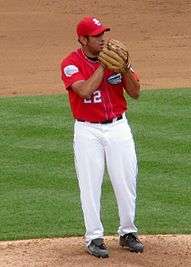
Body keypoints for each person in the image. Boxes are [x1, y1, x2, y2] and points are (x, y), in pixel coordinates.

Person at [60, 16, 144, 258]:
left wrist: (125, 67)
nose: (102, 39)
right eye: (96, 36)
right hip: (88, 131)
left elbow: (135, 92)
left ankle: (128, 232)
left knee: (125, 181)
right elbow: (84, 90)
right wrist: (104, 67)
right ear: (82, 39)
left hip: (118, 127)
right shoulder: (71, 63)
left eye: (102, 33)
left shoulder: (116, 58)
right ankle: (94, 237)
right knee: (90, 185)